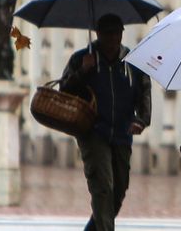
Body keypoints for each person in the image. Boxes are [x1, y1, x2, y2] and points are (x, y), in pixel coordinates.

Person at [61, 13, 151, 231]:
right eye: (107, 34)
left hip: (122, 133)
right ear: (98, 35)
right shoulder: (82, 58)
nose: (112, 39)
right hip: (93, 132)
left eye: (116, 33)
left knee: (118, 190)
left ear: (122, 34)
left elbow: (145, 92)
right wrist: (83, 71)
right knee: (103, 187)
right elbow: (64, 90)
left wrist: (142, 119)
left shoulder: (133, 62)